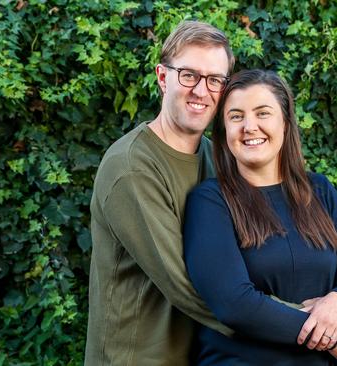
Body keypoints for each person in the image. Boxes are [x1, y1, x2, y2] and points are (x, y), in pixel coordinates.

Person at [184, 69, 337, 365]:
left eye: (263, 113)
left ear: (285, 123)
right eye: (236, 116)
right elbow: (234, 305)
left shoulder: (319, 190)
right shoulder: (210, 201)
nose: (250, 126)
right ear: (223, 130)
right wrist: (330, 337)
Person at [84, 21, 236, 365]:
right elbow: (187, 284)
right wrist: (302, 326)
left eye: (215, 80)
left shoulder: (217, 159)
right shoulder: (131, 167)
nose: (201, 90)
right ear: (163, 77)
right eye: (188, 75)